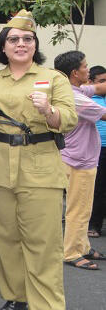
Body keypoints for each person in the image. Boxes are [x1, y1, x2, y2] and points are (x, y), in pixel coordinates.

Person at [0, 10, 77, 310]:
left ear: (35, 44)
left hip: (41, 170)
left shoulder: (53, 79)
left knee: (43, 244)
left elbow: (70, 119)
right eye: (14, 39)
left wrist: (48, 111)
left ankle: (45, 304)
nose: (21, 44)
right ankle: (16, 298)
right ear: (3, 46)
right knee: (6, 241)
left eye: (28, 39)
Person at [53, 51, 106, 271]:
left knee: (84, 207)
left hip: (80, 158)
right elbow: (103, 113)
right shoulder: (74, 97)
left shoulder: (72, 88)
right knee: (78, 209)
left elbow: (98, 88)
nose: (88, 69)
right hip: (78, 160)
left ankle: (82, 245)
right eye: (85, 66)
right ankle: (72, 252)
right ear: (75, 73)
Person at [88, 65, 106, 238]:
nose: (104, 84)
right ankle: (94, 224)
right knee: (98, 188)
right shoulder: (88, 98)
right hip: (97, 149)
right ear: (91, 82)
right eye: (101, 81)